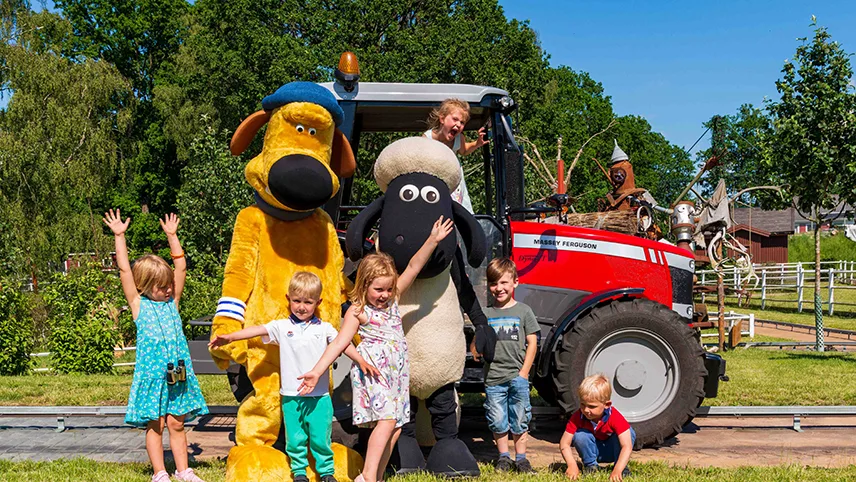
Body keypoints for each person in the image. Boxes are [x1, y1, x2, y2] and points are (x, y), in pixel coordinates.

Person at [298, 216, 455, 482]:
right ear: (364, 284)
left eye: (388, 288)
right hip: (374, 373)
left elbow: (415, 267)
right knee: (386, 421)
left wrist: (432, 240)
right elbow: (338, 342)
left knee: (395, 427)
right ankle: (367, 476)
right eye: (378, 289)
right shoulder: (358, 312)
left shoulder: (393, 300)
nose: (384, 294)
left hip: (397, 374)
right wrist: (316, 371)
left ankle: (378, 476)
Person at [209, 271, 378, 482]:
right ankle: (299, 472)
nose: (302, 306)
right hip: (291, 396)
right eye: (297, 301)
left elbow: (342, 345)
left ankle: (326, 472)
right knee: (295, 438)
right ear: (289, 299)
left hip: (319, 397)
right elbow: (254, 330)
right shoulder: (282, 327)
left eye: (308, 302)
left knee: (320, 438)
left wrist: (360, 360)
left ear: (318, 302)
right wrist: (230, 336)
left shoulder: (325, 328)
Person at [103, 209, 209, 482]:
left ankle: (184, 470)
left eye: (169, 285)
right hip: (153, 378)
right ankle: (160, 473)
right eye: (162, 287)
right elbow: (125, 268)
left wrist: (172, 237)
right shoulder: (139, 306)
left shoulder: (173, 304)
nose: (169, 290)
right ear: (146, 286)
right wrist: (119, 236)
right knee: (157, 425)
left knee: (177, 422)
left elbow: (181, 267)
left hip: (178, 376)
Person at [480, 258, 539, 473]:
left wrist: (524, 373)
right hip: (494, 377)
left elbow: (532, 342)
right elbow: (478, 343)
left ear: (515, 282)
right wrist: (477, 349)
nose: (499, 288)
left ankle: (521, 458)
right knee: (497, 419)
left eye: (504, 282)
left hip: (518, 376)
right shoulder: (486, 314)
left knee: (520, 417)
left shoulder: (524, 311)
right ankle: (504, 457)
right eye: (494, 283)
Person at [560, 374, 636, 481]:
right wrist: (572, 465)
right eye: (582, 404)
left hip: (611, 450)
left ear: (607, 405)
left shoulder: (614, 416)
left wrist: (618, 469)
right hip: (593, 451)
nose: (586, 410)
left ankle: (621, 468)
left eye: (592, 406)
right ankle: (591, 466)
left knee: (629, 432)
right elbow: (564, 443)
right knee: (580, 435)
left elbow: (627, 446)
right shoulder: (578, 416)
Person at [424, 98, 489, 213]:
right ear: (442, 118)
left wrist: (477, 143)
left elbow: (464, 150)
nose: (458, 125)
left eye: (462, 122)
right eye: (455, 119)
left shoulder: (459, 138)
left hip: (456, 184)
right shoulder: (428, 139)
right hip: (438, 181)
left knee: (460, 211)